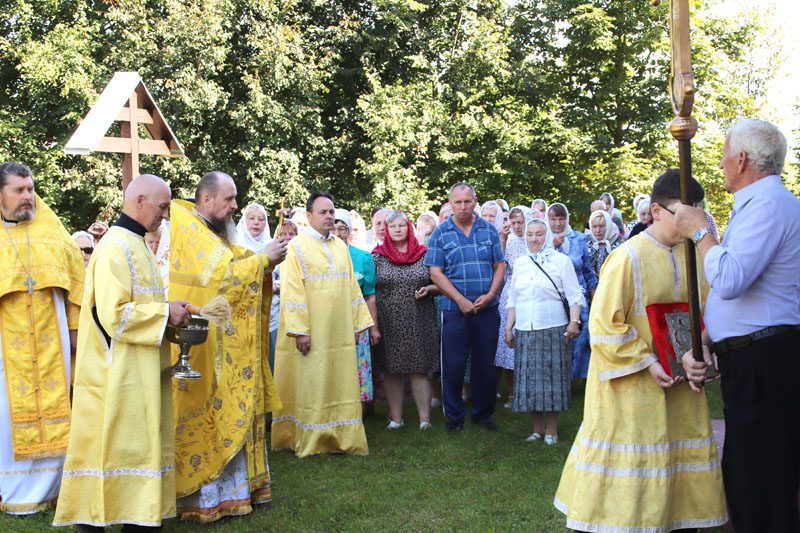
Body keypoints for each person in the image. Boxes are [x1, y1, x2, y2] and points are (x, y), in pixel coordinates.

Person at [554, 169, 728, 532]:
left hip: (682, 388)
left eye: (696, 213)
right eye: (683, 212)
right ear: (656, 210)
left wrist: (705, 350)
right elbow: (604, 325)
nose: (690, 222)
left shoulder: (697, 255)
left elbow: (711, 313)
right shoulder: (627, 257)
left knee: (677, 481)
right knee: (632, 483)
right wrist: (648, 361)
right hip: (633, 391)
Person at [677, 119, 800, 532]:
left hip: (764, 360)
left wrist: (699, 230)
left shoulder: (767, 205)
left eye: (726, 153)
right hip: (754, 356)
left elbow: (730, 280)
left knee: (760, 482)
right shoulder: (759, 204)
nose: (723, 161)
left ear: (742, 159)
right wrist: (708, 337)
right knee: (750, 476)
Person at [53, 174, 191, 529]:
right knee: (117, 444)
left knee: (139, 444)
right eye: (162, 206)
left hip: (141, 366)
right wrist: (164, 314)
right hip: (118, 370)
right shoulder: (114, 246)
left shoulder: (139, 243)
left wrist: (170, 310)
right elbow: (113, 315)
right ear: (139, 200)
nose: (165, 214)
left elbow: (141, 302)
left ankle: (139, 515)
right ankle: (99, 518)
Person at [169, 171, 287, 522]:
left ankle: (236, 493)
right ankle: (205, 500)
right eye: (230, 199)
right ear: (207, 200)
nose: (235, 206)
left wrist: (262, 262)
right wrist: (264, 260)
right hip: (204, 347)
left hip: (222, 344)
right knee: (210, 417)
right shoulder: (190, 229)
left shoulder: (210, 230)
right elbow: (225, 279)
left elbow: (231, 264)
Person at [0, 162, 84, 515]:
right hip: (7, 345)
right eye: (19, 190)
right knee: (5, 414)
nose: (28, 196)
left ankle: (54, 487)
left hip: (53, 342)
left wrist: (78, 330)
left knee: (57, 405)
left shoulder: (52, 231)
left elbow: (79, 284)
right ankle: (10, 487)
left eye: (30, 189)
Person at [271, 191, 373, 457]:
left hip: (339, 331)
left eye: (331, 212)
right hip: (311, 330)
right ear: (309, 216)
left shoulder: (340, 246)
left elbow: (352, 288)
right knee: (312, 381)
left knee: (340, 380)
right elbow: (292, 291)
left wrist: (359, 323)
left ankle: (342, 437)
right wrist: (300, 331)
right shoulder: (296, 247)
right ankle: (313, 438)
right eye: (323, 212)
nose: (329, 217)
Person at [425, 183, 505, 431]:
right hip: (454, 309)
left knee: (485, 365)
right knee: (453, 365)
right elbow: (435, 272)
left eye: (467, 202)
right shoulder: (441, 232)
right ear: (450, 203)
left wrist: (491, 295)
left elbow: (499, 265)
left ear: (475, 201)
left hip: (486, 309)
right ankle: (455, 418)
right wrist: (460, 300)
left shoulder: (489, 230)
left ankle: (483, 414)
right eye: (457, 202)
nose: (462, 207)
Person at [505, 218, 583, 444]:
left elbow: (574, 295)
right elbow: (513, 298)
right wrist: (509, 327)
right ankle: (536, 429)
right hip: (525, 329)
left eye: (539, 234)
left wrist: (574, 322)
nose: (534, 238)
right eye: (530, 234)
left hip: (552, 327)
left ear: (546, 235)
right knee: (529, 381)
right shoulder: (520, 262)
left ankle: (551, 429)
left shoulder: (561, 261)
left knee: (551, 380)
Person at [373, 210, 440, 430]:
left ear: (409, 227)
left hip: (418, 320)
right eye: (393, 226)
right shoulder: (377, 255)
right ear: (386, 230)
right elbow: (369, 290)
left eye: (402, 225)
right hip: (388, 320)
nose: (398, 230)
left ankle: (424, 420)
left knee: (418, 368)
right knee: (391, 369)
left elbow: (441, 283)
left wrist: (429, 289)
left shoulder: (424, 253)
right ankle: (396, 418)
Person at [334, 209, 381, 404]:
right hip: (332, 319)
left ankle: (361, 409)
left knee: (357, 365)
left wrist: (374, 327)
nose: (337, 233)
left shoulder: (363, 257)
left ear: (349, 231)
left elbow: (370, 295)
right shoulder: (322, 256)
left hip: (357, 320)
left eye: (342, 229)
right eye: (333, 229)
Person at [547, 203, 597, 379]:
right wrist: (552, 245)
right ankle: (559, 376)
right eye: (553, 219)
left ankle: (579, 375)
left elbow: (587, 269)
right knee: (560, 336)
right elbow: (541, 264)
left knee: (581, 335)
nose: (558, 223)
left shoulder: (579, 238)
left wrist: (594, 292)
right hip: (554, 294)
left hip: (579, 293)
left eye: (561, 218)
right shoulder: (542, 238)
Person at [495, 206, 531, 406]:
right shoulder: (509, 241)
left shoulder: (534, 240)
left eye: (521, 222)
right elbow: (499, 263)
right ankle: (511, 391)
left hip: (529, 293)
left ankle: (527, 389)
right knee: (509, 346)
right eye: (514, 222)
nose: (518, 226)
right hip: (510, 292)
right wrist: (502, 239)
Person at [586, 209, 623, 277]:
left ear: (608, 225)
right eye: (594, 227)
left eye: (601, 226)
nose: (598, 230)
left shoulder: (620, 242)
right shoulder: (586, 242)